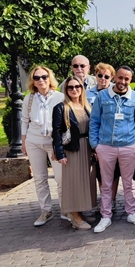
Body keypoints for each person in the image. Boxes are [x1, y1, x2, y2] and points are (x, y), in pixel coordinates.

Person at [89, 66, 135, 233]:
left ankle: (131, 212)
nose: (123, 81)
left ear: (130, 80)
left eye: (127, 79)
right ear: (115, 77)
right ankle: (105, 215)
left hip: (128, 146)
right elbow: (94, 121)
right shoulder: (102, 96)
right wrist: (95, 145)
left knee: (129, 183)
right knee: (106, 184)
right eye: (120, 77)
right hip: (106, 146)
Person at [21, 66, 66, 226]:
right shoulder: (29, 99)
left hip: (54, 141)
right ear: (33, 81)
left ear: (50, 78)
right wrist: (23, 141)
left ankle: (65, 209)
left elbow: (64, 122)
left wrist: (58, 145)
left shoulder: (60, 97)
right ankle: (46, 210)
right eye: (37, 78)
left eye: (44, 77)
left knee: (61, 178)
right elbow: (24, 120)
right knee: (40, 178)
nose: (41, 80)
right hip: (34, 140)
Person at [51, 76, 96, 231]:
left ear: (82, 88)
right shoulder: (61, 108)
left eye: (77, 86)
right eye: (70, 87)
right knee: (73, 183)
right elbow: (56, 132)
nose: (74, 89)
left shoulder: (86, 105)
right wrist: (60, 153)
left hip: (86, 147)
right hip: (72, 149)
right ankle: (75, 218)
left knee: (84, 182)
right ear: (66, 89)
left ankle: (80, 212)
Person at [85, 63, 121, 211]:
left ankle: (112, 199)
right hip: (96, 136)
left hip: (114, 137)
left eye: (107, 76)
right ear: (95, 75)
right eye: (100, 75)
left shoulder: (116, 92)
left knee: (115, 171)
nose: (103, 79)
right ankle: (104, 199)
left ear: (112, 77)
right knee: (100, 171)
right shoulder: (87, 94)